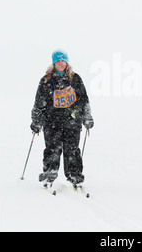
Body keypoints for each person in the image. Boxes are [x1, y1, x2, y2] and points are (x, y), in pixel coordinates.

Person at [30, 49, 94, 186]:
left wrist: (87, 117)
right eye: (58, 61)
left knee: (72, 150)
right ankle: (50, 173)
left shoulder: (75, 79)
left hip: (72, 121)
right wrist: (36, 121)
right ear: (53, 63)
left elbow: (84, 100)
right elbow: (39, 103)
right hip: (52, 121)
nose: (60, 63)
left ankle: (74, 175)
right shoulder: (46, 80)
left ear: (67, 63)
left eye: (63, 61)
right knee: (52, 148)